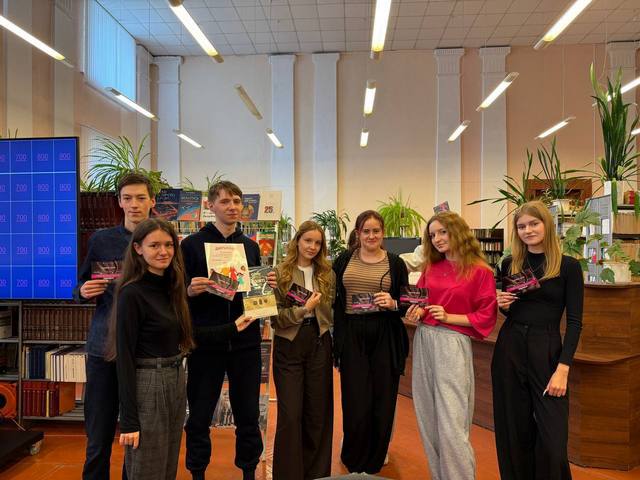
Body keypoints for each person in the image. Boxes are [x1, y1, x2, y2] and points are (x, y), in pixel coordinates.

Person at [492, 200, 583, 480]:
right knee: (514, 429)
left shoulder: (568, 266)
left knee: (554, 441)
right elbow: (509, 310)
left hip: (547, 349)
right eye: (521, 226)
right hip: (510, 347)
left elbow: (575, 322)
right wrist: (503, 304)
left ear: (547, 224)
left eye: (534, 223)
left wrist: (563, 368)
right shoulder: (509, 264)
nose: (528, 230)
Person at [74, 173, 155, 480]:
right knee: (98, 434)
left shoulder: (162, 240)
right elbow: (81, 284)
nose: (134, 204)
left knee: (137, 433)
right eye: (128, 198)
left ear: (152, 201)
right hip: (103, 347)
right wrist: (82, 291)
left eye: (141, 198)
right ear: (119, 202)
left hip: (144, 349)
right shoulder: (101, 240)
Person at [405, 210, 497, 480]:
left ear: (457, 231)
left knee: (452, 421)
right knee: (427, 415)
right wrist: (418, 311)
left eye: (442, 232)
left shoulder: (480, 271)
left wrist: (449, 317)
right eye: (432, 235)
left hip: (452, 343)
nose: (437, 239)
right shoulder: (431, 267)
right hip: (424, 338)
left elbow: (486, 315)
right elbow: (422, 301)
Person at [180, 181, 263, 480]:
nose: (232, 207)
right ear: (210, 206)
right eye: (225, 201)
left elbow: (256, 295)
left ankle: (249, 472)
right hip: (206, 342)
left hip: (246, 343)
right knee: (199, 415)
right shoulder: (191, 245)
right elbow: (177, 293)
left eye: (237, 201)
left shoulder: (251, 247)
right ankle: (197, 472)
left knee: (248, 415)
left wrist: (266, 287)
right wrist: (189, 290)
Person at [104, 218, 192, 479]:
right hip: (148, 382)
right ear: (138, 249)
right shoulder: (132, 293)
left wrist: (234, 327)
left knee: (167, 465)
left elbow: (187, 336)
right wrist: (129, 420)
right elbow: (125, 358)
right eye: (154, 245)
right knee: (147, 467)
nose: (163, 251)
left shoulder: (173, 287)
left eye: (168, 245)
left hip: (175, 377)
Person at [332, 210, 409, 474]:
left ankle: (376, 456)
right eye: (366, 231)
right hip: (352, 333)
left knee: (382, 398)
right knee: (354, 399)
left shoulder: (395, 263)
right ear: (358, 233)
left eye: (376, 231)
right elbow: (330, 294)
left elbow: (407, 302)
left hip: (384, 333)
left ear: (383, 233)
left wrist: (393, 303)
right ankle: (353, 455)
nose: (371, 236)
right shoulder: (344, 260)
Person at [272, 220, 336, 480]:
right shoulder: (280, 273)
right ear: (297, 240)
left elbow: (331, 311)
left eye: (318, 243)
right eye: (308, 240)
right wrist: (303, 310)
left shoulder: (327, 274)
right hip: (289, 344)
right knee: (290, 415)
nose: (312, 246)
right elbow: (275, 318)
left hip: (319, 342)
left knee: (317, 413)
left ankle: (316, 474)